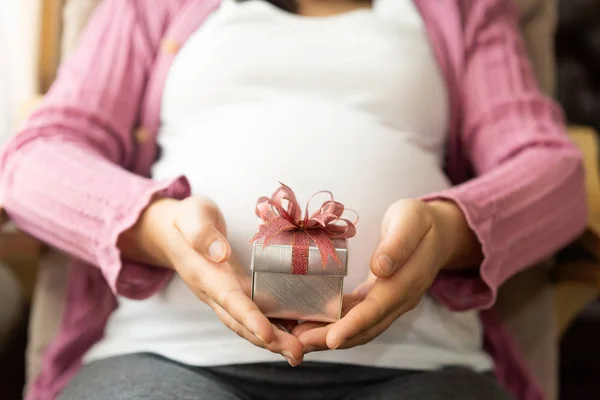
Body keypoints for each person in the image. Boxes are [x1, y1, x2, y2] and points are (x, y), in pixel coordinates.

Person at [0, 0, 587, 399]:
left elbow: (554, 175)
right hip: (166, 356)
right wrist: (156, 227)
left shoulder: (461, 9)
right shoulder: (152, 5)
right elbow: (34, 158)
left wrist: (449, 230)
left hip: (419, 365)